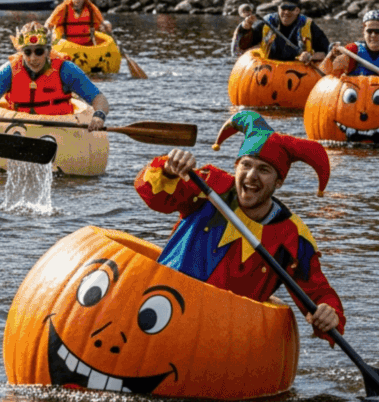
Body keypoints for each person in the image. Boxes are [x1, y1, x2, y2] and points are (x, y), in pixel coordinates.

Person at [134, 111, 344, 343]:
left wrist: (328, 312)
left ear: (279, 182)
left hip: (220, 340)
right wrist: (168, 170)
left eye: (264, 170)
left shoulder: (292, 236)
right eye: (246, 165)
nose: (251, 176)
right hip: (159, 309)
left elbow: (316, 291)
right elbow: (154, 196)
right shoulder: (208, 185)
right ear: (236, 167)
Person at [0, 22, 110, 129]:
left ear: (47, 51)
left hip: (60, 132)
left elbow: (99, 98)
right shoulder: (9, 71)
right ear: (21, 52)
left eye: (39, 51)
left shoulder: (66, 70)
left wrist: (99, 116)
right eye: (27, 52)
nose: (33, 58)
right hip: (18, 131)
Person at [233, 0, 330, 64]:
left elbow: (327, 51)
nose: (286, 12)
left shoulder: (308, 25)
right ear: (278, 8)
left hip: (298, 72)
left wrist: (311, 57)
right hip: (269, 70)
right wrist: (246, 27)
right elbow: (242, 46)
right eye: (283, 7)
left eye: (291, 8)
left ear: (298, 10)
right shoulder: (267, 23)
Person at [46, 0, 112, 46]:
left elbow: (101, 24)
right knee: (55, 31)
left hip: (87, 48)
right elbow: (49, 23)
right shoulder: (63, 8)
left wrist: (106, 27)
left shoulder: (91, 9)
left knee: (106, 26)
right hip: (68, 47)